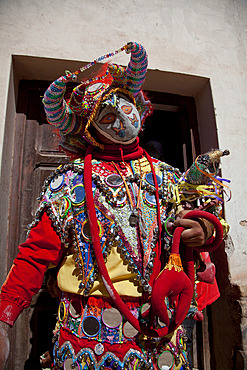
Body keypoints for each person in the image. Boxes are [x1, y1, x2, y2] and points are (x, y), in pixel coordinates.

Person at [0, 42, 229, 370]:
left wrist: (203, 229)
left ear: (138, 105)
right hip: (86, 335)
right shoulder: (70, 182)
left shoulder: (164, 177)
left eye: (125, 106)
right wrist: (4, 319)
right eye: (108, 115)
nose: (122, 118)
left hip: (161, 328)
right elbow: (35, 254)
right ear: (92, 129)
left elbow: (195, 224)